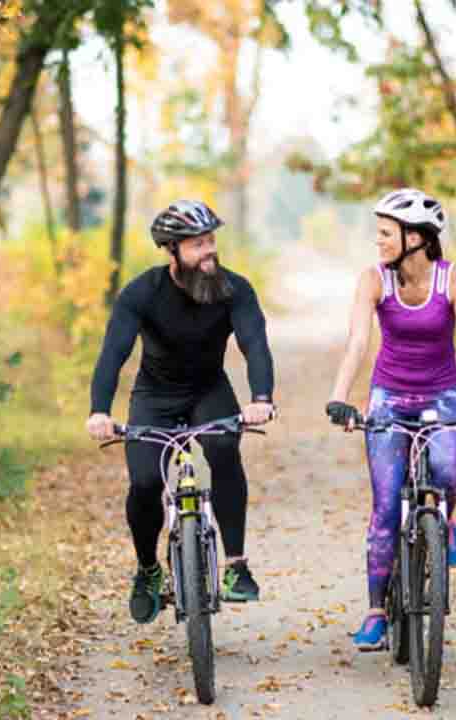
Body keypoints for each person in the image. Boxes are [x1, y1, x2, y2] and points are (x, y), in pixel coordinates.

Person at [325, 188, 456, 651]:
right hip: (388, 397)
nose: (379, 241)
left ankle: (443, 522)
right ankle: (376, 611)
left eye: (387, 233)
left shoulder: (453, 280)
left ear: (416, 237)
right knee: (388, 507)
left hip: (440, 394)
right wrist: (340, 398)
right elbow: (357, 343)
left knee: (447, 472)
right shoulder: (373, 280)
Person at [86, 199, 276, 624]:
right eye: (196, 245)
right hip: (155, 394)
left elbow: (254, 345)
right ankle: (148, 570)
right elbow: (112, 355)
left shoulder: (235, 289)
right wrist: (99, 410)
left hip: (209, 389)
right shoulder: (141, 293)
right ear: (171, 251)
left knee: (224, 450)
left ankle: (236, 566)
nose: (208, 251)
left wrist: (261, 397)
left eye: (210, 241)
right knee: (146, 481)